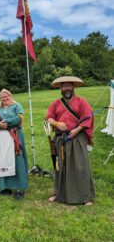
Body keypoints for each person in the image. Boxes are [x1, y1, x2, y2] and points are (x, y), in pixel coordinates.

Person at [46, 76, 95, 206]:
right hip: (61, 139)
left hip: (76, 139)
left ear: (73, 87)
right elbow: (49, 118)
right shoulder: (55, 103)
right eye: (64, 86)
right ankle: (58, 194)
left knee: (80, 167)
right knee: (60, 167)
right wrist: (56, 123)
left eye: (69, 85)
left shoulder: (81, 102)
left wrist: (77, 130)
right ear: (61, 88)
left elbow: (87, 119)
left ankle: (86, 197)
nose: (67, 88)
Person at [0, 89, 28, 200]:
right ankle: (4, 187)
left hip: (14, 136)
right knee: (2, 160)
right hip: (1, 139)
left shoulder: (17, 106)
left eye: (6, 96)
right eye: (2, 97)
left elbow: (19, 118)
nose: (5, 99)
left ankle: (20, 188)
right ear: (0, 99)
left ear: (10, 96)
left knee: (17, 160)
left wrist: (6, 123)